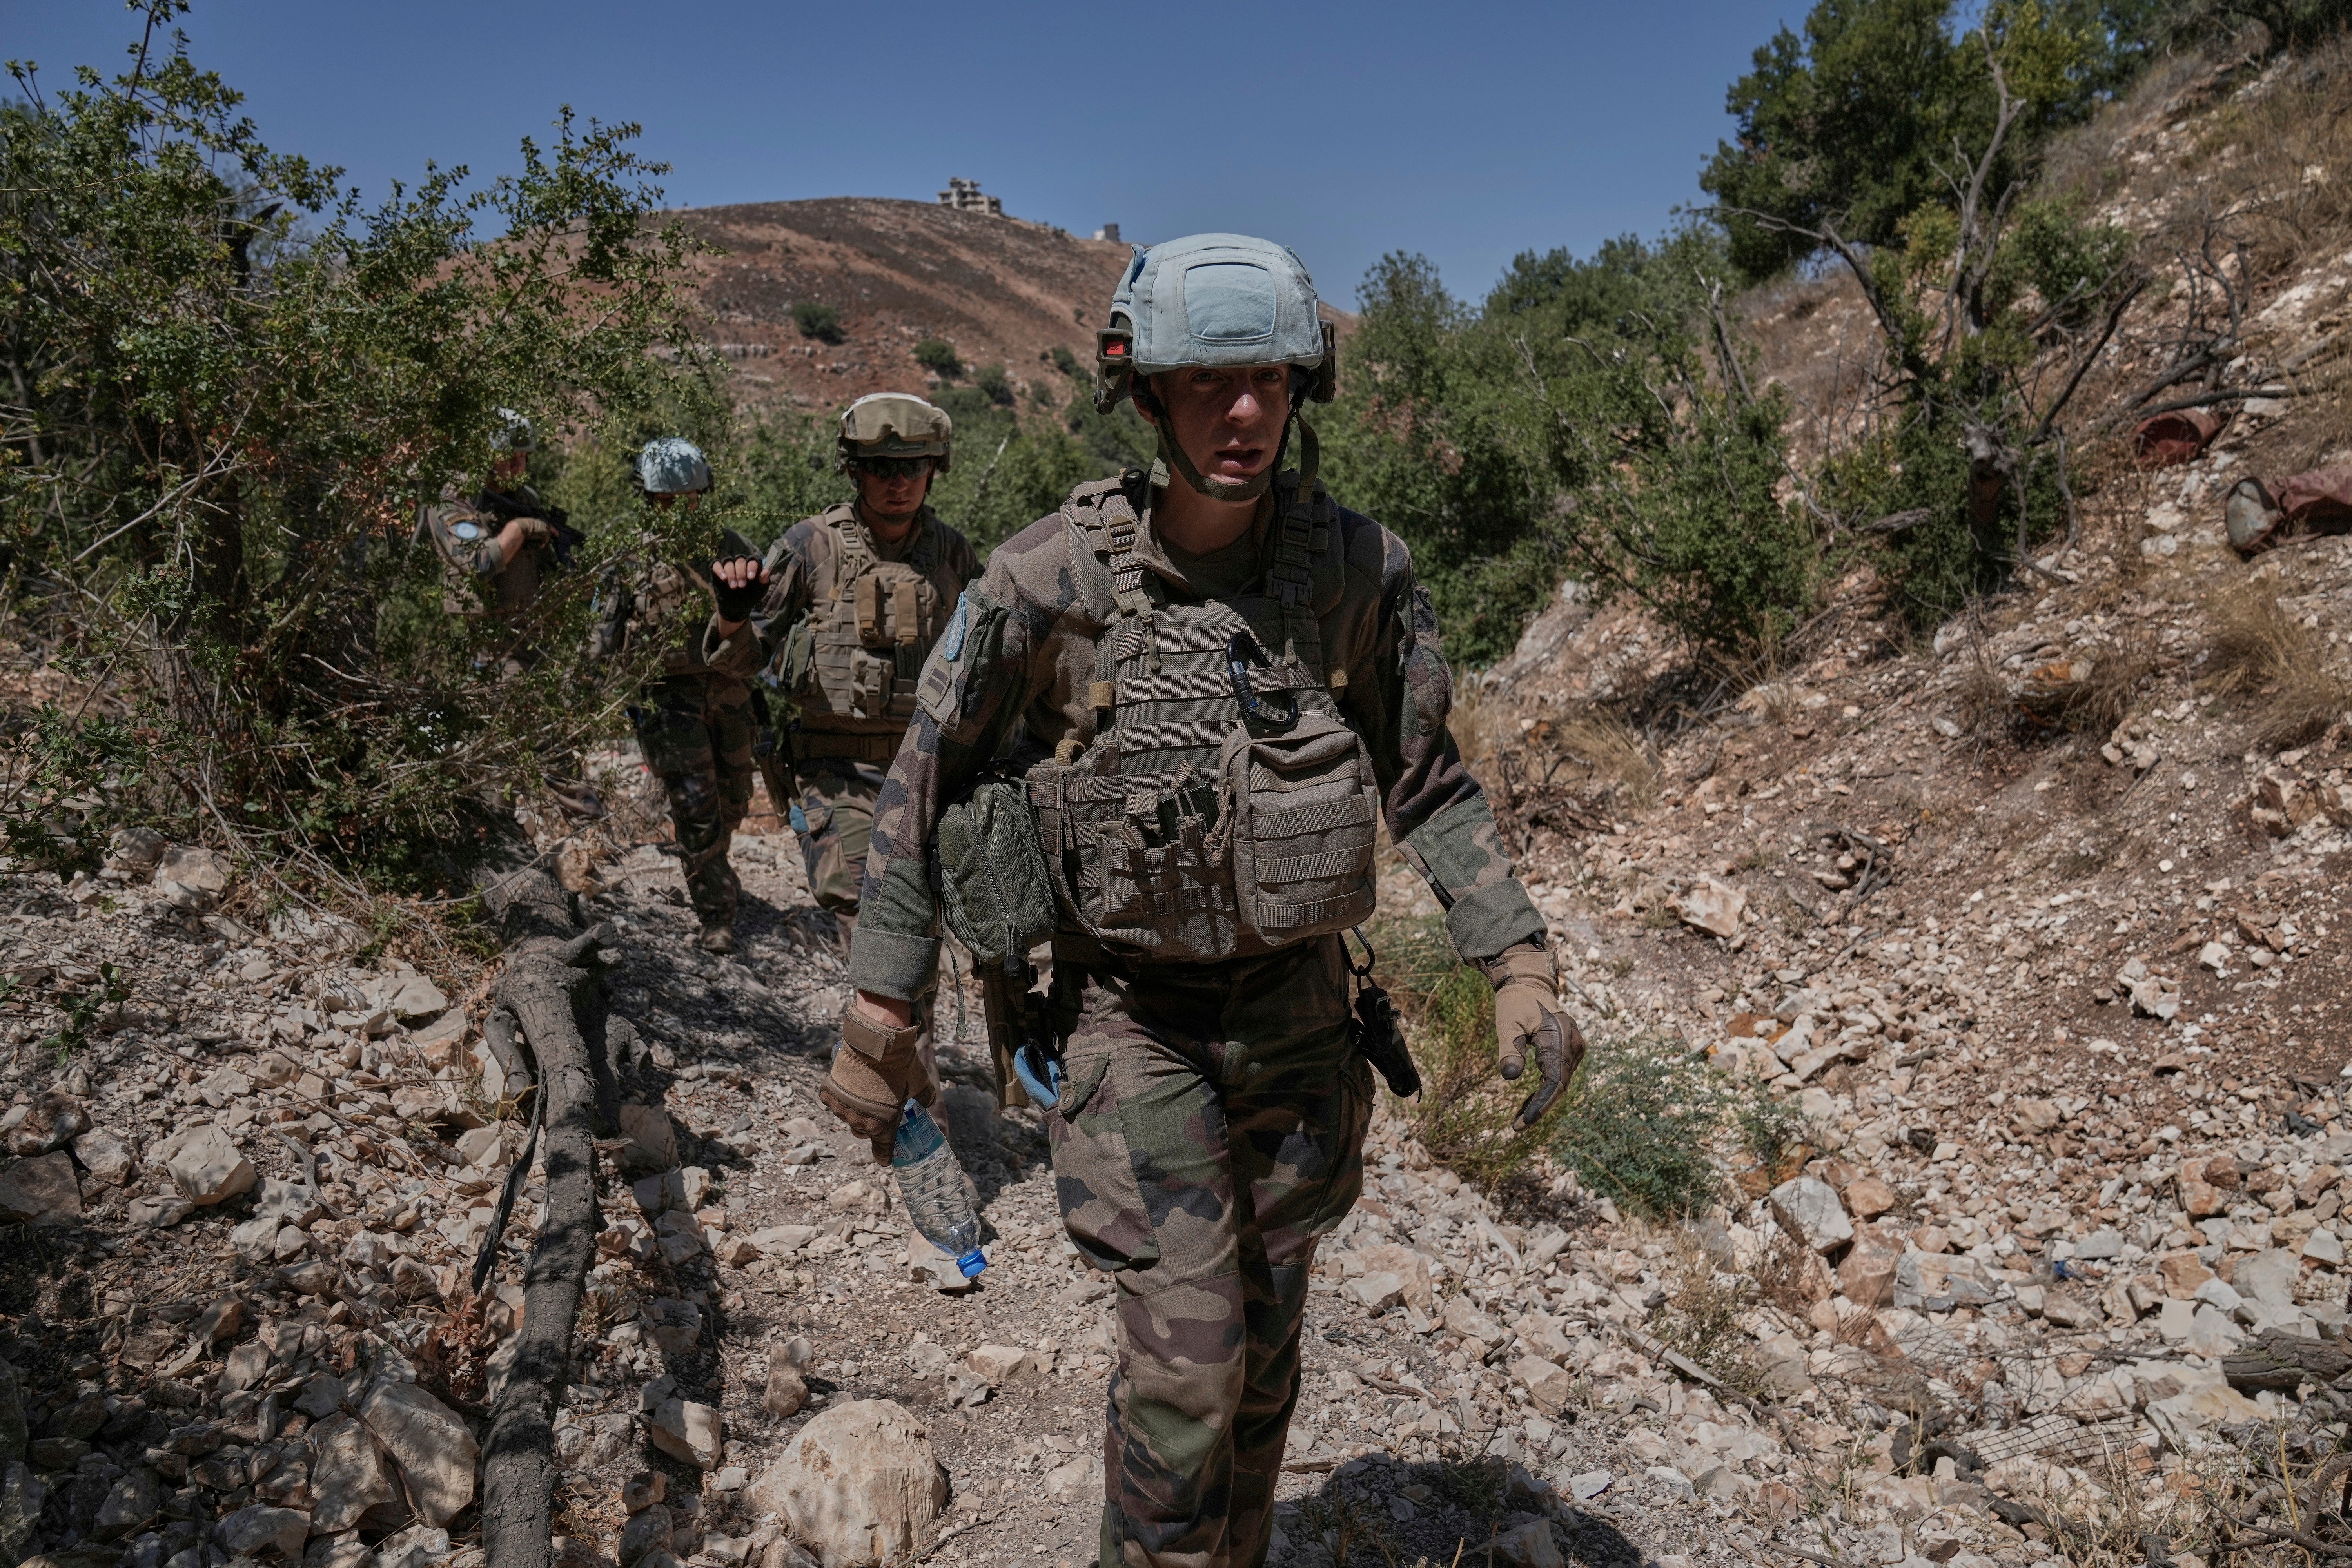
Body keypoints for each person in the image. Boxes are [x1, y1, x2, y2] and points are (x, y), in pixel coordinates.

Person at [819, 235, 1584, 1568]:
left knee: (1266, 1358)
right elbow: (921, 779)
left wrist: (1516, 961)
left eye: (1272, 385)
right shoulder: (1046, 582)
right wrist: (884, 1014)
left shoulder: (1353, 575)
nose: (1245, 415)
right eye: (1209, 385)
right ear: (1147, 394)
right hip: (1134, 1023)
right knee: (1187, 1374)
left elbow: (1430, 780)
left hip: (1301, 1026)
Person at [704, 394, 981, 959]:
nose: (897, 483)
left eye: (913, 467)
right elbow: (746, 657)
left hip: (927, 771)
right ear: (853, 470)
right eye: (880, 468)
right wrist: (732, 617)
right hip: (835, 771)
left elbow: (989, 664)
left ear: (935, 470)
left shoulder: (953, 554)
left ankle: (893, 1047)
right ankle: (882, 1039)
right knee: (868, 916)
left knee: (917, 934)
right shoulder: (811, 545)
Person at [590, 437, 769, 954]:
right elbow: (602, 633)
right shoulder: (628, 559)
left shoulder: (732, 548)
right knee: (695, 806)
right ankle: (716, 915)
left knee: (735, 798)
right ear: (649, 499)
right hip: (668, 698)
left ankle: (715, 870)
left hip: (731, 690)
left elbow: (765, 620)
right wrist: (587, 692)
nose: (679, 508)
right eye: (667, 500)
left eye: (689, 498)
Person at [416, 410, 565, 668]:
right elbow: (479, 563)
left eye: (524, 457)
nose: (520, 466)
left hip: (533, 634)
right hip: (485, 644)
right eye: (510, 457)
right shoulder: (456, 498)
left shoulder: (525, 498)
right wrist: (521, 528)